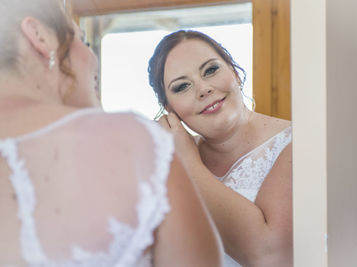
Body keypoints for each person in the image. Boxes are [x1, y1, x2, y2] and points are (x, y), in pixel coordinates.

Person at [0, 1, 223, 266]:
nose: (91, 57)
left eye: (211, 70)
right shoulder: (135, 143)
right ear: (38, 36)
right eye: (82, 40)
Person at [148, 30, 293, 267]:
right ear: (169, 108)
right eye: (182, 86)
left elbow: (271, 256)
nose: (203, 89)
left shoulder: (297, 144)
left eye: (211, 70)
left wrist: (187, 162)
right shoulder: (164, 164)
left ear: (234, 72)